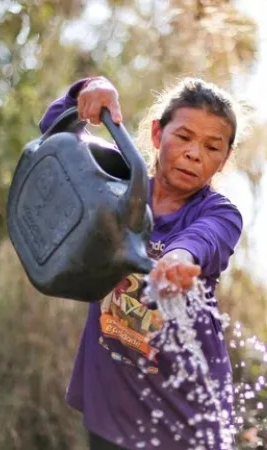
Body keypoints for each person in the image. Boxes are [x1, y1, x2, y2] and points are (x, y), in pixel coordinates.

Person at [38, 75, 246, 450]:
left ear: (224, 159)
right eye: (183, 137)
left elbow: (203, 241)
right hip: (111, 408)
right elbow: (56, 141)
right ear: (156, 134)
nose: (194, 153)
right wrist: (88, 90)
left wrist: (177, 260)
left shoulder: (220, 214)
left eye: (212, 147)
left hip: (186, 419)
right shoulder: (118, 184)